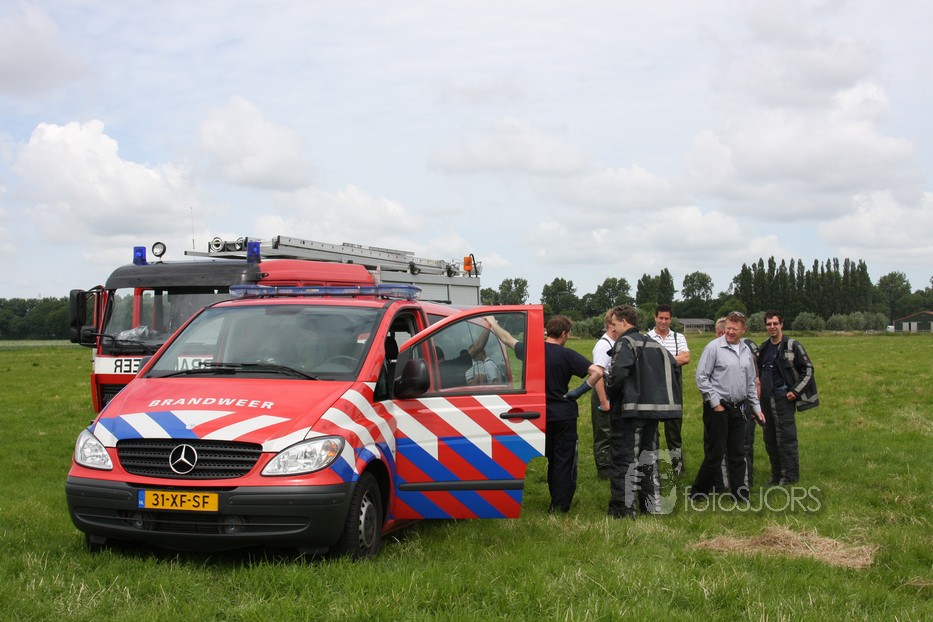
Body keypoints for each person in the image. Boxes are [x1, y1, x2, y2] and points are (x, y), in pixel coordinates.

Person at [488, 314, 602, 513]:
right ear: (564, 333)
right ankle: (559, 505)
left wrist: (492, 323)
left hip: (538, 414)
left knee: (548, 457)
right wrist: (578, 391)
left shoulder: (531, 350)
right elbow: (597, 372)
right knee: (563, 460)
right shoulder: (567, 355)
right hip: (564, 415)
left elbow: (506, 338)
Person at [603, 305, 682, 519]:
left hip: (630, 413)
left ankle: (624, 509)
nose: (613, 328)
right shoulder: (654, 343)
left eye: (614, 323)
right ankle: (651, 505)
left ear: (624, 322)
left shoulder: (625, 343)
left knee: (624, 459)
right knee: (649, 458)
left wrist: (610, 390)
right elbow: (674, 367)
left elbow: (618, 374)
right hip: (652, 413)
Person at [691, 311, 764, 503]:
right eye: (728, 328)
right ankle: (697, 493)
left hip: (739, 408)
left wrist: (757, 409)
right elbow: (701, 378)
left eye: (735, 329)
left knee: (738, 453)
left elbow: (750, 383)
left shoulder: (746, 351)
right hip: (718, 408)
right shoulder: (713, 348)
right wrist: (716, 404)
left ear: (744, 330)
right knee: (715, 454)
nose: (730, 332)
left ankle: (740, 495)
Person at [757, 310, 819, 485]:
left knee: (786, 439)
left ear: (781, 325)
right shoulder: (764, 347)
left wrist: (796, 391)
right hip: (766, 399)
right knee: (769, 439)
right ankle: (776, 476)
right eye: (769, 324)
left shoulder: (792, 345)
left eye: (775, 323)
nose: (772, 327)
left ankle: (789, 478)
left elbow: (808, 369)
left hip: (783, 398)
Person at [647, 304, 690, 476]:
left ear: (671, 319)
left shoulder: (679, 337)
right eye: (661, 318)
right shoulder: (647, 337)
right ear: (655, 318)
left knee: (674, 431)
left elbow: (686, 358)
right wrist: (673, 359)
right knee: (651, 432)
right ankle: (652, 468)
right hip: (652, 388)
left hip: (674, 388)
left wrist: (659, 360)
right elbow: (645, 361)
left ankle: (678, 468)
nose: (663, 321)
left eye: (666, 318)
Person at [589, 310, 616, 480]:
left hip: (612, 389)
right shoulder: (603, 345)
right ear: (609, 325)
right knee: (603, 432)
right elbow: (598, 374)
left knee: (613, 431)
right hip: (603, 391)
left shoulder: (616, 342)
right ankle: (604, 472)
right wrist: (603, 400)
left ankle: (613, 465)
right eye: (614, 323)